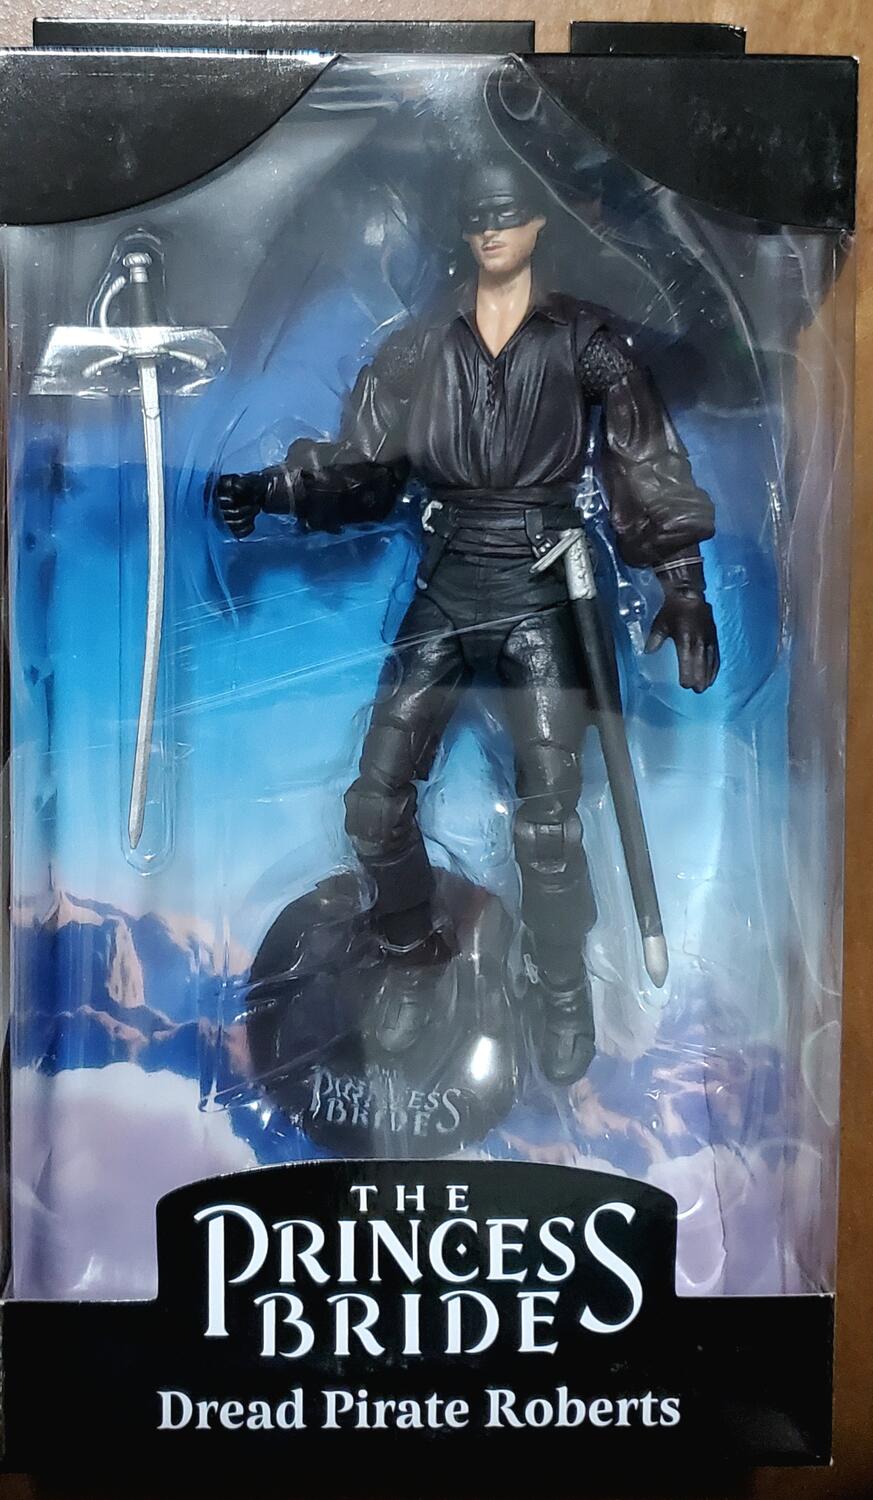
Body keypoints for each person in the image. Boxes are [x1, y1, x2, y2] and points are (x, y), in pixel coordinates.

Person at [215, 156, 720, 1086]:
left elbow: (643, 460)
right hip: (447, 579)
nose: (491, 225)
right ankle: (409, 951)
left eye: (508, 209)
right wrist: (273, 488)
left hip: (543, 582)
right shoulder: (417, 349)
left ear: (538, 221)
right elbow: (365, 467)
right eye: (477, 212)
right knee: (373, 804)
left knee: (549, 826)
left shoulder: (587, 342)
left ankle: (560, 981)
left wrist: (682, 583)